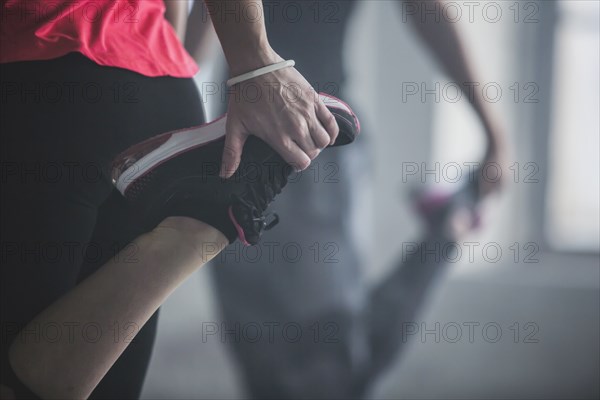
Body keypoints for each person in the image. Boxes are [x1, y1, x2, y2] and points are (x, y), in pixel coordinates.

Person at [0, 0, 344, 398]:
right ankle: (195, 227)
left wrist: (258, 63)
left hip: (39, 77)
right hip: (157, 80)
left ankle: (197, 228)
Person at [178, 0, 507, 398]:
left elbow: (425, 8)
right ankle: (445, 229)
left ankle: (445, 231)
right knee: (273, 364)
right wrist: (174, 112)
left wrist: (494, 133)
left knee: (321, 363)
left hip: (317, 141)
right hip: (233, 143)